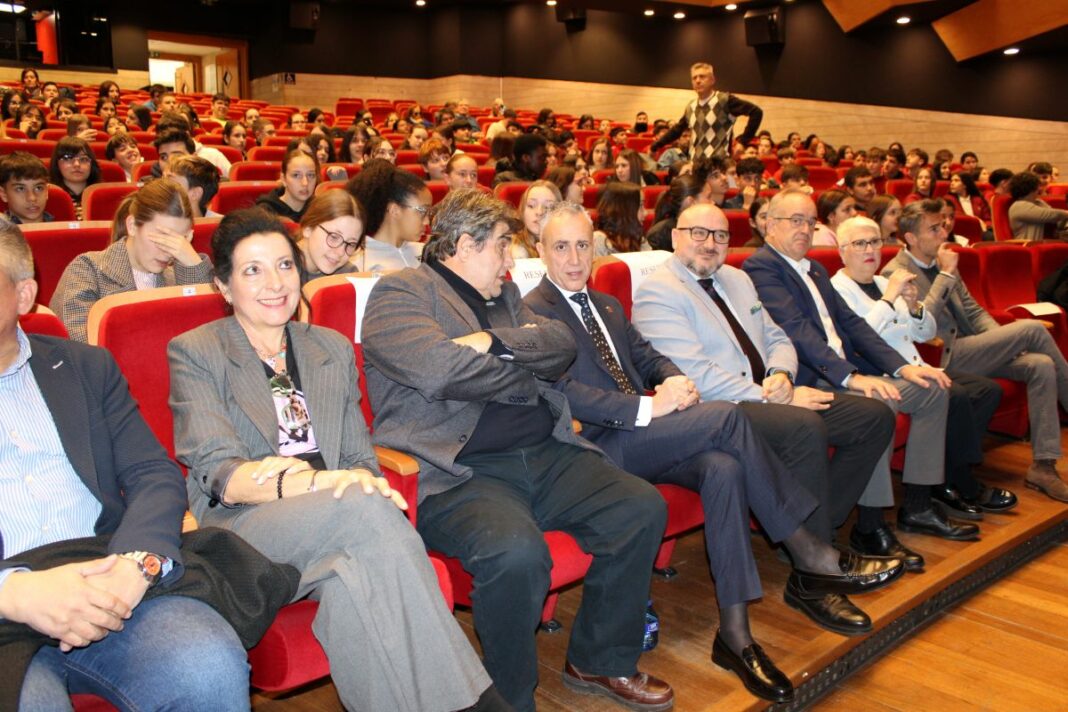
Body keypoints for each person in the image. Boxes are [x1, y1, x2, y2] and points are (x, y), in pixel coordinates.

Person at [525, 203, 903, 702]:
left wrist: (672, 376)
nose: (574, 258)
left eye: (581, 245)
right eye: (560, 246)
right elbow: (565, 390)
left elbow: (646, 356)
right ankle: (809, 550)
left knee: (724, 468)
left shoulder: (607, 305)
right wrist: (648, 407)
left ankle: (736, 634)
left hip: (648, 432)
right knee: (727, 416)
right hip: (598, 444)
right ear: (539, 250)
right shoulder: (532, 311)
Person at [167, 208, 501, 712]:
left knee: (353, 588)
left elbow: (356, 457)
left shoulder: (330, 347)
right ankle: (479, 703)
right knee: (365, 509)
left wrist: (364, 482)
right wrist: (329, 486)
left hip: (342, 521)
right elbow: (222, 475)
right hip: (243, 526)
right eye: (252, 270)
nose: (274, 282)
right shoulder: (197, 351)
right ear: (224, 286)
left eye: (283, 265)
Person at [361, 188, 674, 712]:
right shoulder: (400, 294)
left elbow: (559, 346)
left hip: (546, 450)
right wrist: (519, 365)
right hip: (460, 469)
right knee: (517, 554)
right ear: (464, 244)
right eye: (504, 245)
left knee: (640, 507)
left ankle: (600, 658)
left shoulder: (503, 297)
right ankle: (511, 700)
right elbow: (437, 371)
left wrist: (491, 345)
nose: (513, 258)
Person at [0, 221, 293, 712]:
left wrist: (139, 565)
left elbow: (152, 474)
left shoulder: (83, 367)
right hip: (10, 601)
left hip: (109, 573)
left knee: (207, 664)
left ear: (24, 294)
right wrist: (13, 592)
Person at [632, 203, 902, 627]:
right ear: (675, 237)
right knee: (802, 426)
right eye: (698, 233)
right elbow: (697, 374)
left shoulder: (737, 279)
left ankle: (813, 530)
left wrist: (780, 374)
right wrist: (770, 397)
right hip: (719, 411)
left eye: (720, 235)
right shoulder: (658, 291)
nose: (710, 244)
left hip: (770, 393)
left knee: (872, 417)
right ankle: (813, 573)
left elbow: (777, 336)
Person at [743, 190, 978, 549]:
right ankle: (868, 524)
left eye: (810, 222)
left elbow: (853, 325)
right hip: (815, 379)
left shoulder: (815, 268)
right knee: (877, 405)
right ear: (770, 226)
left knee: (932, 389)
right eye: (795, 221)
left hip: (841, 371)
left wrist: (902, 368)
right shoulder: (761, 267)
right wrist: (851, 376)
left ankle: (916, 504)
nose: (804, 230)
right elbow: (797, 332)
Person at [884, 199, 1068, 502]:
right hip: (939, 355)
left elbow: (974, 311)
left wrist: (1005, 343)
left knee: (1040, 364)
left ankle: (1044, 466)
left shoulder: (944, 266)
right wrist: (944, 276)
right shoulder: (897, 272)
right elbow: (923, 324)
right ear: (911, 238)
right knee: (1032, 328)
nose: (943, 233)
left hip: (972, 349)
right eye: (933, 229)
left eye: (943, 225)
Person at [831, 216, 1016, 517]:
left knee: (986, 390)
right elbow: (858, 338)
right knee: (951, 394)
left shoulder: (880, 282)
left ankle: (950, 475)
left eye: (875, 242)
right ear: (841, 251)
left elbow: (925, 334)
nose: (870, 250)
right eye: (860, 243)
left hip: (915, 365)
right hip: (879, 373)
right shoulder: (838, 290)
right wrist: (890, 299)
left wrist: (916, 308)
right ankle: (952, 484)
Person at [50, 179, 212, 342]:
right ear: (132, 225)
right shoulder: (87, 270)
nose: (168, 251)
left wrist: (192, 263)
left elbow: (208, 340)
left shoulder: (178, 279)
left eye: (180, 240)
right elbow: (81, 349)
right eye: (162, 236)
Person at [650, 62, 762, 160]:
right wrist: (655, 146)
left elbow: (756, 112)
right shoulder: (691, 106)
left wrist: (743, 142)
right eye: (694, 78)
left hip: (720, 165)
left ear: (712, 80)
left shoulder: (725, 100)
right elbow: (677, 130)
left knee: (730, 183)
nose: (698, 80)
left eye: (702, 77)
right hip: (696, 164)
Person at [347, 159, 429, 272]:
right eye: (422, 211)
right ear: (394, 210)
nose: (427, 222)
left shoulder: (426, 253)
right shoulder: (360, 264)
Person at [297, 189, 364, 279]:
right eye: (334, 237)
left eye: (351, 244)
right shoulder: (278, 273)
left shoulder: (346, 275)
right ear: (308, 229)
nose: (340, 252)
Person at [255, 149, 318, 221]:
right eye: (296, 175)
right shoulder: (265, 212)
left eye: (311, 175)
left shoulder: (320, 209)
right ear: (283, 179)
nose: (305, 183)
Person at [646, 174, 704, 251]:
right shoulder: (662, 235)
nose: (713, 202)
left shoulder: (709, 228)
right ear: (691, 202)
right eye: (708, 197)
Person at [48, 137, 100, 220]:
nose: (77, 164)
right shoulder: (47, 198)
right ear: (57, 163)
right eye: (68, 158)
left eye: (83, 159)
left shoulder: (102, 196)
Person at [593, 181, 649, 256]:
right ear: (625, 210)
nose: (645, 213)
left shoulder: (637, 239)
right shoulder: (599, 240)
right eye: (640, 206)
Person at [1007, 171, 1068, 240]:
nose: (1040, 189)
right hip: (1025, 246)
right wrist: (1066, 214)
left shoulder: (1038, 202)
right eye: (1038, 186)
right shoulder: (1018, 206)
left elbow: (1058, 220)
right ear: (1033, 188)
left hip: (1042, 245)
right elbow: (1050, 214)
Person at [510, 181, 561, 259]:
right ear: (522, 210)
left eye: (547, 207)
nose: (539, 212)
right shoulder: (514, 251)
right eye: (531, 206)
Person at [0, 152, 53, 224]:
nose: (32, 198)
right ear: (3, 194)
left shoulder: (64, 228)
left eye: (38, 188)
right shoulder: (2, 234)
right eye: (20, 189)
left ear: (47, 191)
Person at [168, 154, 222, 218]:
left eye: (171, 184)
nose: (161, 187)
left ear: (195, 194)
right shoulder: (155, 220)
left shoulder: (221, 225)